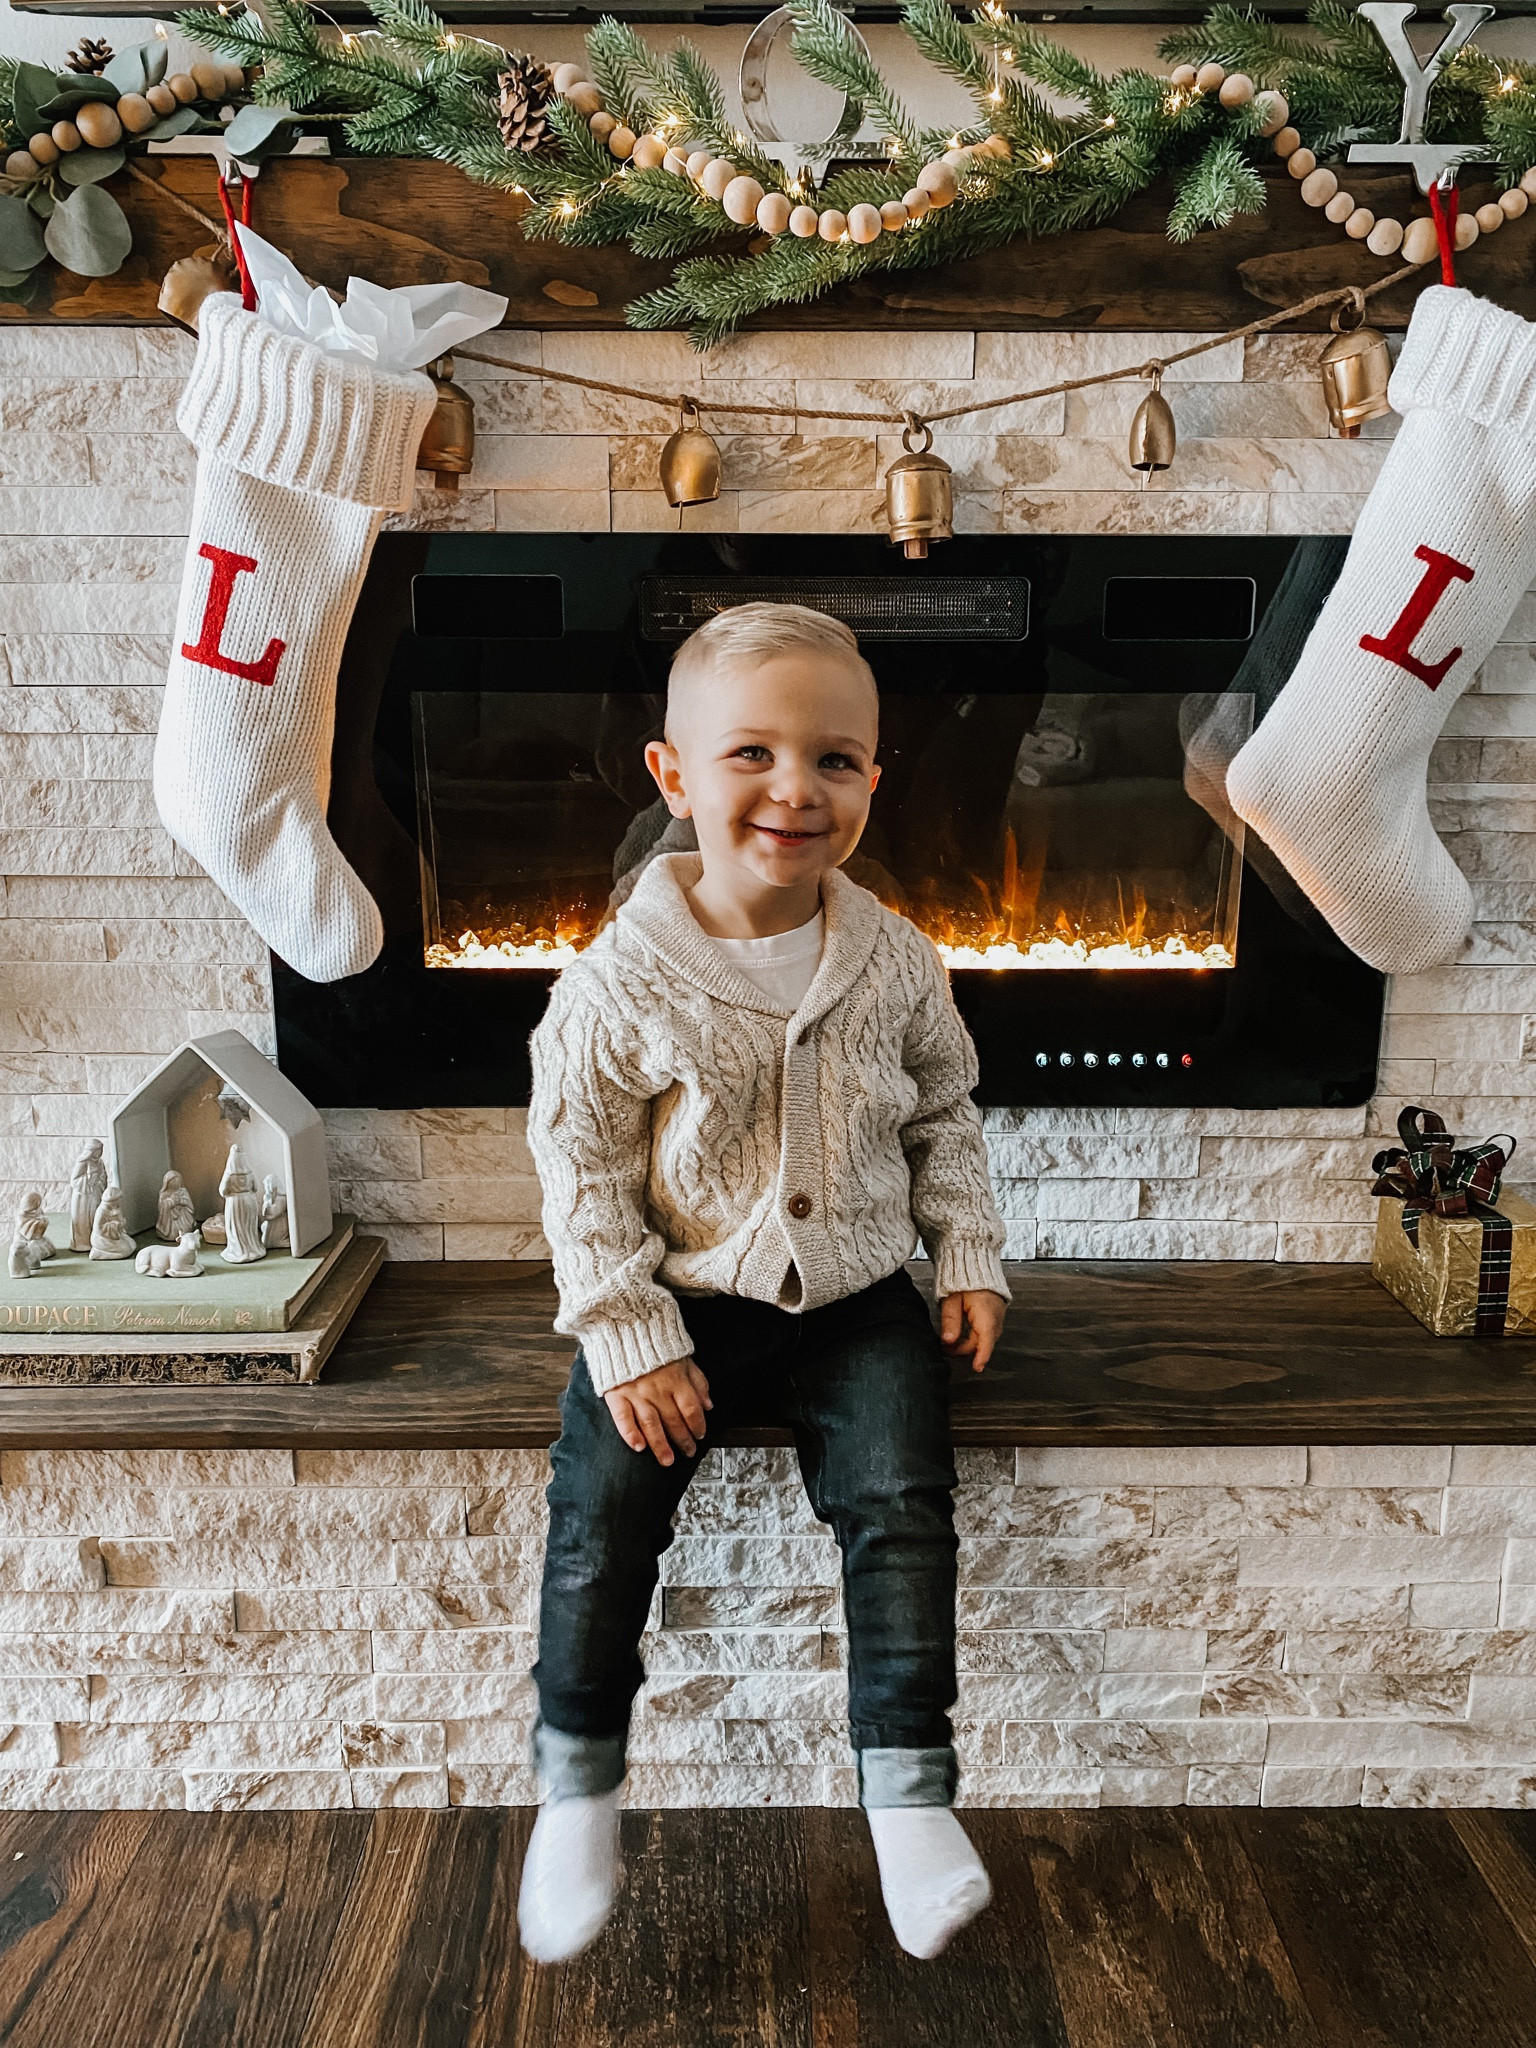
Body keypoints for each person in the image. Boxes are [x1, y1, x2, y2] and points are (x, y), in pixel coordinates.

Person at [521, 603, 1010, 1965]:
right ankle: (575, 1782)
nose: (797, 788)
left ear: (872, 776)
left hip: (856, 1298)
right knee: (601, 1511)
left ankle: (907, 1792)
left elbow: (945, 1116)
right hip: (678, 1297)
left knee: (902, 1508)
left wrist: (965, 1252)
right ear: (673, 775)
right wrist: (628, 1335)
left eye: (837, 759)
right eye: (752, 753)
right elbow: (580, 1172)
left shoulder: (895, 956)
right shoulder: (619, 984)